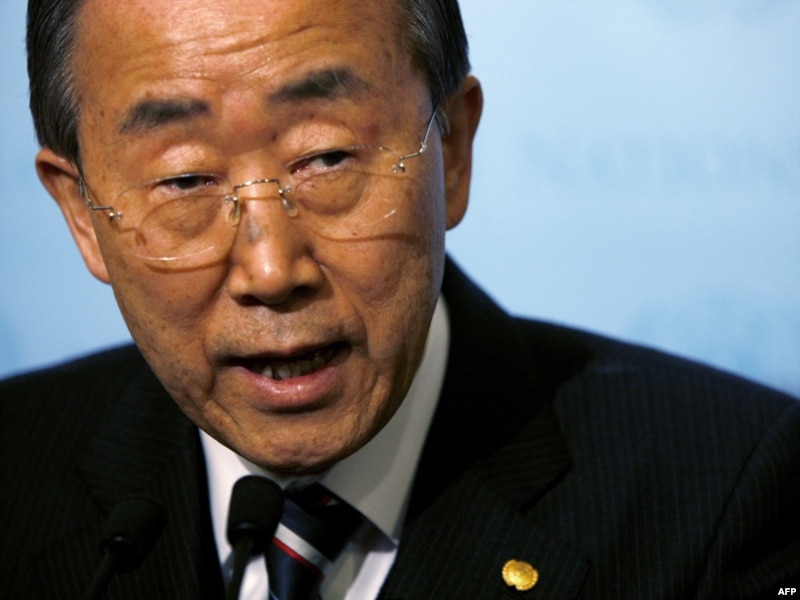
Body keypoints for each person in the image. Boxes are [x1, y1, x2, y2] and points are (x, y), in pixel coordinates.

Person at [1, 0, 798, 597]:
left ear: (452, 147)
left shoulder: (725, 496)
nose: (271, 269)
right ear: (82, 215)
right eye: (184, 179)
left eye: (325, 157)